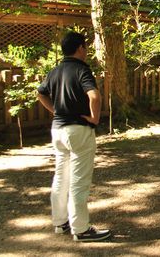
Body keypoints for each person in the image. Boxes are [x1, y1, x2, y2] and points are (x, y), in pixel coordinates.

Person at [36, 31, 111, 242]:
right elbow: (94, 96)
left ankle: (60, 223)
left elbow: (41, 93)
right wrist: (94, 118)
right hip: (78, 130)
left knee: (61, 176)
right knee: (79, 180)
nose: (86, 51)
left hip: (58, 130)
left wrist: (55, 111)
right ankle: (81, 229)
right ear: (80, 48)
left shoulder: (55, 71)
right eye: (85, 47)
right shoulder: (81, 70)